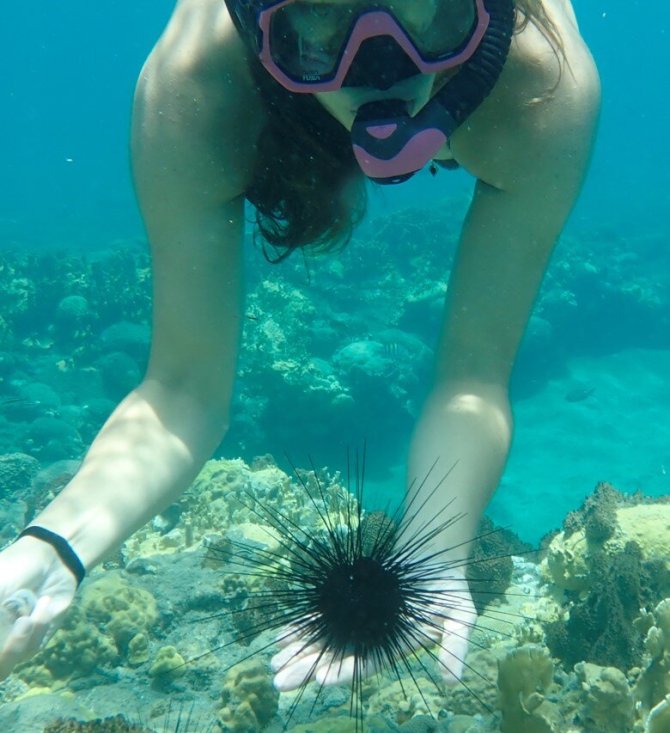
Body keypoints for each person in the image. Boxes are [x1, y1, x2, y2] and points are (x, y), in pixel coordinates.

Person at [0, 0, 599, 690]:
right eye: (320, 28)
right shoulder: (197, 89)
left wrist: (433, 555)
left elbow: (473, 380)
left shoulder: (540, 89)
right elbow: (180, 391)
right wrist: (54, 548)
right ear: (259, 24)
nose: (384, 70)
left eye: (424, 15)